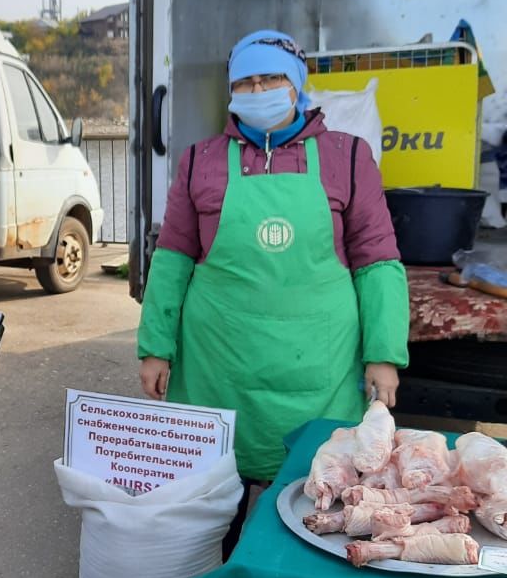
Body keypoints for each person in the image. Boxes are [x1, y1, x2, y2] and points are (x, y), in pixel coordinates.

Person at [138, 29, 409, 504]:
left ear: (297, 84)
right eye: (245, 83)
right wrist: (155, 348)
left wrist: (383, 355)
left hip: (319, 367)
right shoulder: (200, 160)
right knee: (213, 500)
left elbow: (377, 261)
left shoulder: (347, 157)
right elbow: (173, 258)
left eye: (271, 79)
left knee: (313, 498)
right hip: (217, 364)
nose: (258, 92)